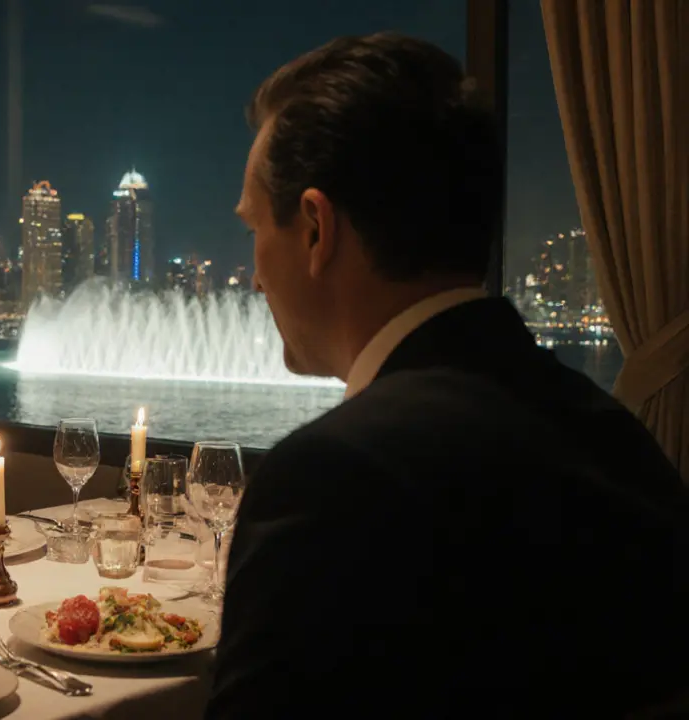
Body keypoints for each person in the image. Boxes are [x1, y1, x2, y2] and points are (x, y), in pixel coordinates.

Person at [209, 33, 689, 718]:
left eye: (255, 227)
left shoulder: (330, 480)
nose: (254, 275)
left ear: (316, 229)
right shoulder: (616, 437)